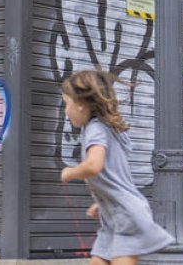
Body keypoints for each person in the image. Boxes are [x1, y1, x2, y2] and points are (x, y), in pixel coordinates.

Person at [59, 70, 175, 265]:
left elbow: (94, 166)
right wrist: (104, 198)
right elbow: (115, 174)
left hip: (126, 214)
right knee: (97, 261)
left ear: (80, 105)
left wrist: (70, 172)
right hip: (113, 213)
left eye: (66, 103)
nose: (65, 111)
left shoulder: (96, 129)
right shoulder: (101, 127)